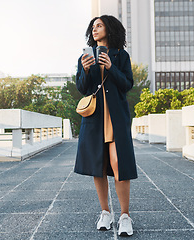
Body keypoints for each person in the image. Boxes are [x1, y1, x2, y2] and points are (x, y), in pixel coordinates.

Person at [74, 15, 138, 237]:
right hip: (94, 119)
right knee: (98, 166)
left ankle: (125, 216)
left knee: (118, 163)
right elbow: (82, 88)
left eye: (99, 26)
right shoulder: (85, 56)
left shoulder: (121, 56)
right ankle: (105, 213)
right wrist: (85, 69)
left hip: (116, 118)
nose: (95, 29)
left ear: (109, 29)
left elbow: (127, 84)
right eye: (92, 27)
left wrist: (111, 67)